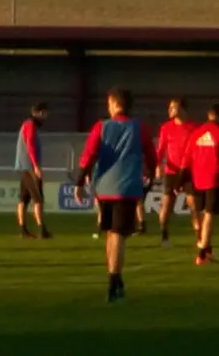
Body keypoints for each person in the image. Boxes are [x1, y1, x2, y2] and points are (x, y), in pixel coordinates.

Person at [74, 87, 157, 303]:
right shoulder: (139, 128)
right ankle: (114, 280)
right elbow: (151, 155)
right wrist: (151, 174)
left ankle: (114, 277)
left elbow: (89, 154)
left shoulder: (101, 127)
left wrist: (79, 181)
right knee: (119, 234)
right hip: (127, 187)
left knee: (111, 233)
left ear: (114, 104)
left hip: (104, 188)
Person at [179, 103, 219, 265]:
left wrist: (180, 179)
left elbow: (187, 157)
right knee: (210, 214)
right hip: (214, 178)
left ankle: (208, 250)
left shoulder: (196, 132)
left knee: (202, 214)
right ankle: (202, 253)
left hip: (197, 179)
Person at [156, 97, 198, 246]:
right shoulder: (166, 128)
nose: (170, 110)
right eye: (169, 107)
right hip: (171, 172)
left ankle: (199, 238)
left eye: (173, 107)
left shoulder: (193, 128)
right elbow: (160, 149)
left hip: (188, 172)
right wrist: (157, 165)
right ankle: (164, 237)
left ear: (182, 109)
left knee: (193, 205)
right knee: (166, 205)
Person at [14, 102, 52, 239]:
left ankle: (22, 229)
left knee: (24, 199)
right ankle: (41, 229)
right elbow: (30, 145)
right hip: (29, 168)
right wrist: (35, 166)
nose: (46, 117)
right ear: (39, 113)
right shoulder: (30, 125)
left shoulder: (28, 125)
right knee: (38, 199)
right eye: (45, 113)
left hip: (24, 167)